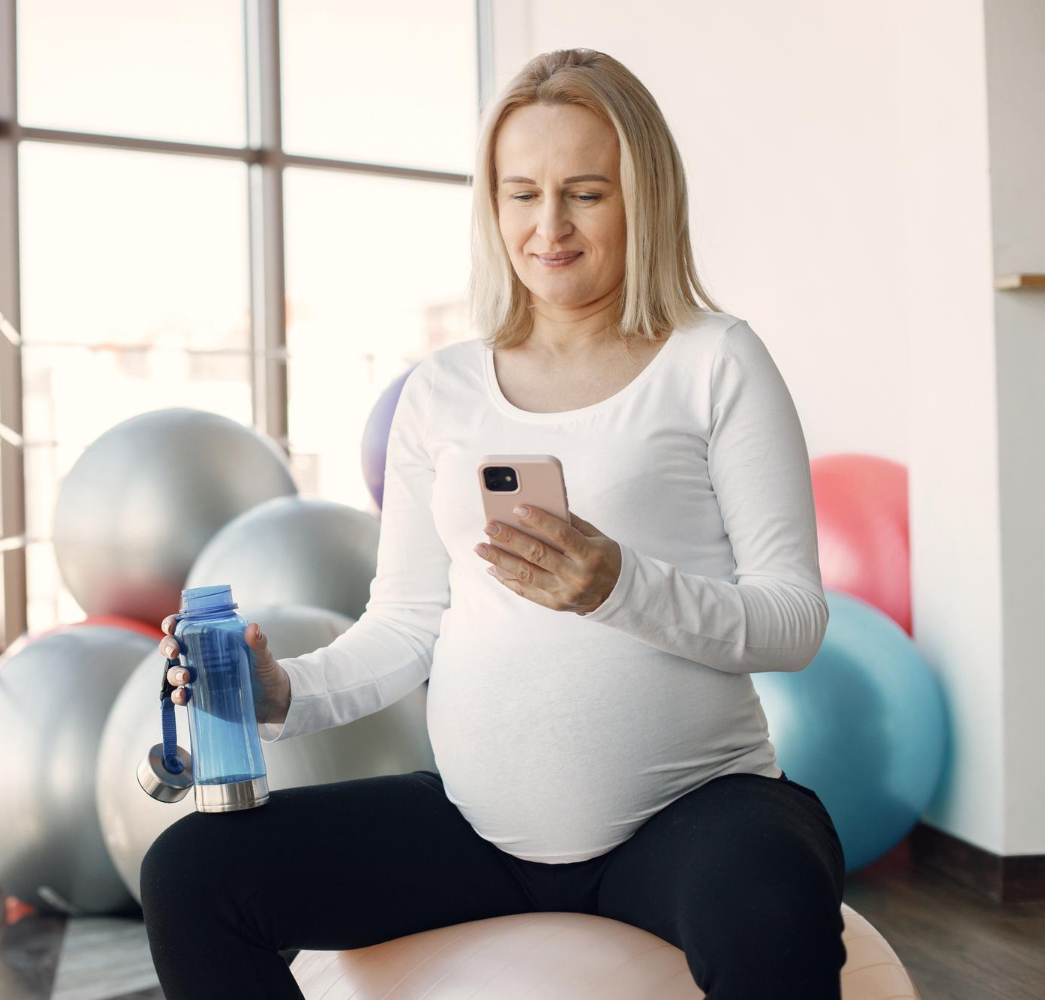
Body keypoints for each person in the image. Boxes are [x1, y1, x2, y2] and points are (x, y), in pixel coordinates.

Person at [139, 48, 845, 1000]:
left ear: (643, 198)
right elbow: (405, 623)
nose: (547, 227)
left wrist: (618, 588)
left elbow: (793, 619)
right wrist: (279, 693)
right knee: (191, 874)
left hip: (697, 811)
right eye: (522, 193)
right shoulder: (444, 389)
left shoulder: (715, 361)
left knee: (771, 899)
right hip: (477, 828)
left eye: (585, 193)